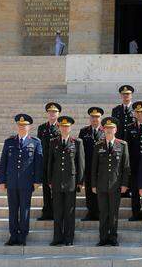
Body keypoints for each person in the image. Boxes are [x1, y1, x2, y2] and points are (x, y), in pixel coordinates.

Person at [0, 114, 43, 246]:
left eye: (25, 125)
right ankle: (13, 235)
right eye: (20, 125)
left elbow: (38, 164)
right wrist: (2, 180)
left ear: (29, 127)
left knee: (24, 210)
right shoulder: (9, 142)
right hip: (11, 182)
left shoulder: (35, 142)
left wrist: (37, 181)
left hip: (27, 183)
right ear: (17, 126)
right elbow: (3, 162)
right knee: (12, 210)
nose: (22, 127)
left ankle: (22, 236)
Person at [91, 116, 130, 246]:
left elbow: (125, 166)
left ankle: (113, 238)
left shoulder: (122, 145)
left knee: (113, 213)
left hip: (116, 185)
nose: (109, 130)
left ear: (116, 129)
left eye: (111, 128)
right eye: (107, 128)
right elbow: (94, 167)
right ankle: (103, 238)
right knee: (103, 213)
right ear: (103, 129)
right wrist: (93, 184)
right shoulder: (98, 145)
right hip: (101, 185)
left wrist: (125, 184)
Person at [48, 116, 84, 246]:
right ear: (59, 127)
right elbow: (50, 163)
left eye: (67, 126)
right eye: (62, 126)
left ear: (70, 128)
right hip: (57, 181)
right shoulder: (53, 142)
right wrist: (49, 180)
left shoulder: (77, 142)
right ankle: (57, 237)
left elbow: (80, 163)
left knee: (69, 212)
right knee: (57, 211)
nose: (64, 128)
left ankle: (69, 238)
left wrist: (80, 182)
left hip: (71, 182)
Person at [124, 101, 142, 221]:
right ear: (134, 113)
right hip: (135, 165)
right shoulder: (130, 128)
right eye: (137, 112)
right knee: (135, 191)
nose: (140, 114)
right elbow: (127, 147)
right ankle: (136, 213)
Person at [78, 107, 104, 221]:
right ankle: (91, 212)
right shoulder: (84, 131)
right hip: (88, 167)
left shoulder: (105, 131)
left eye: (97, 117)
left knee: (100, 191)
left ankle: (100, 212)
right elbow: (80, 150)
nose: (95, 119)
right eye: (93, 117)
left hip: (101, 167)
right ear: (90, 118)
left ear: (100, 118)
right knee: (89, 190)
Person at [37, 102, 61, 221]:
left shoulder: (61, 127)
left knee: (55, 189)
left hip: (57, 164)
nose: (52, 114)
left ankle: (56, 211)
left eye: (54, 112)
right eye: (50, 112)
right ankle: (47, 211)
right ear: (47, 113)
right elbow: (39, 146)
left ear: (58, 114)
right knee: (46, 189)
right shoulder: (42, 128)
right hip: (45, 163)